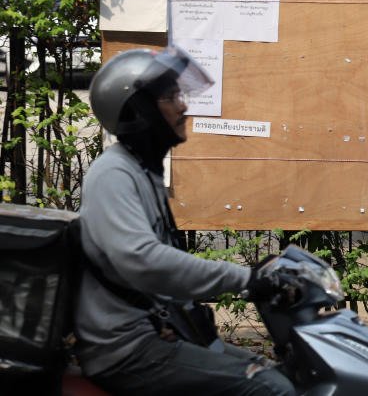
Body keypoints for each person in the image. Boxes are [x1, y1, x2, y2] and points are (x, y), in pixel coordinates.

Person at [76, 47, 296, 396]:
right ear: (139, 110)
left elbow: (161, 272)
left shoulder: (141, 171)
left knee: (279, 373)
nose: (183, 106)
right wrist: (245, 280)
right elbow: (143, 260)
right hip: (126, 350)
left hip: (154, 331)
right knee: (272, 388)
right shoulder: (113, 174)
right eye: (170, 97)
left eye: (180, 94)